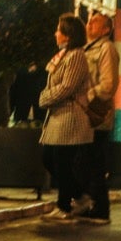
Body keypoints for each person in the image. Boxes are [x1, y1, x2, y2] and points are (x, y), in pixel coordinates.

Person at [39, 13, 92, 222]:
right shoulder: (62, 56)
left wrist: (45, 98)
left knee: (60, 161)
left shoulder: (77, 56)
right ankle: (80, 196)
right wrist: (47, 95)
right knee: (50, 159)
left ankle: (64, 206)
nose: (56, 33)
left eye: (59, 30)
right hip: (58, 117)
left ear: (68, 36)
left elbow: (67, 87)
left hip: (70, 117)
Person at [78, 11, 119, 225]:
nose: (90, 24)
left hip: (96, 116)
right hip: (81, 115)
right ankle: (88, 203)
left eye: (96, 22)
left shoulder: (106, 49)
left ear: (106, 30)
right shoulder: (84, 48)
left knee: (94, 162)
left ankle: (100, 208)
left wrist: (87, 96)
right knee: (83, 160)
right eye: (90, 21)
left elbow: (109, 84)